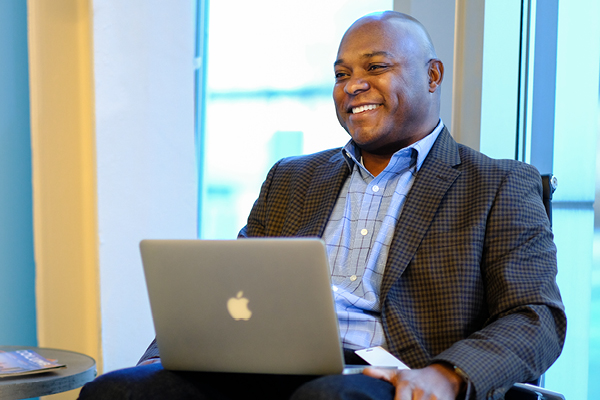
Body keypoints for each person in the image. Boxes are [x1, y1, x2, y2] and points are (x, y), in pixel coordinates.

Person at [78, 10, 566, 400]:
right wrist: (163, 354)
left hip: (393, 375)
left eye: (375, 67)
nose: (353, 85)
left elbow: (536, 316)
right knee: (117, 390)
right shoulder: (292, 178)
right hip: (268, 364)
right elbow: (231, 291)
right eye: (341, 74)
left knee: (327, 396)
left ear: (432, 75)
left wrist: (448, 374)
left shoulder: (498, 184)